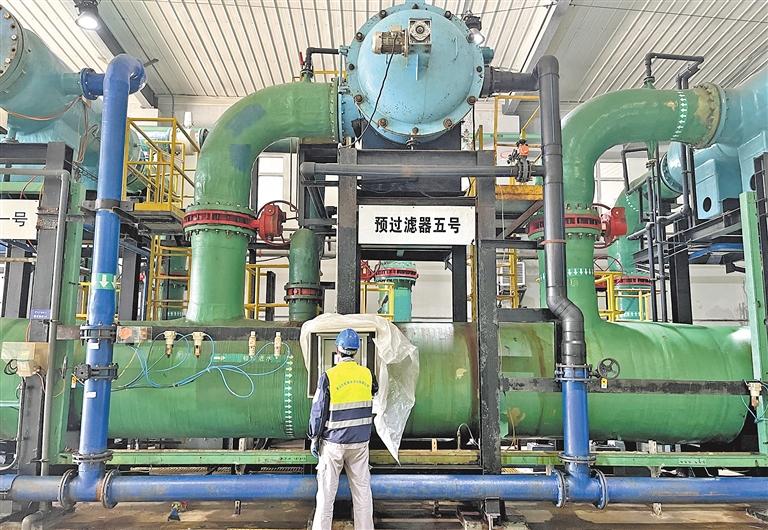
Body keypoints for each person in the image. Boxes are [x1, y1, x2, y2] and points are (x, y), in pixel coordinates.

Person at [309, 328, 378, 530]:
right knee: (362, 493)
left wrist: (314, 437)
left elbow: (318, 411)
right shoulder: (367, 374)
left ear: (337, 349)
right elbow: (374, 393)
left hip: (334, 444)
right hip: (360, 444)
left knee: (326, 496)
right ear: (356, 350)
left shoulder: (328, 377)